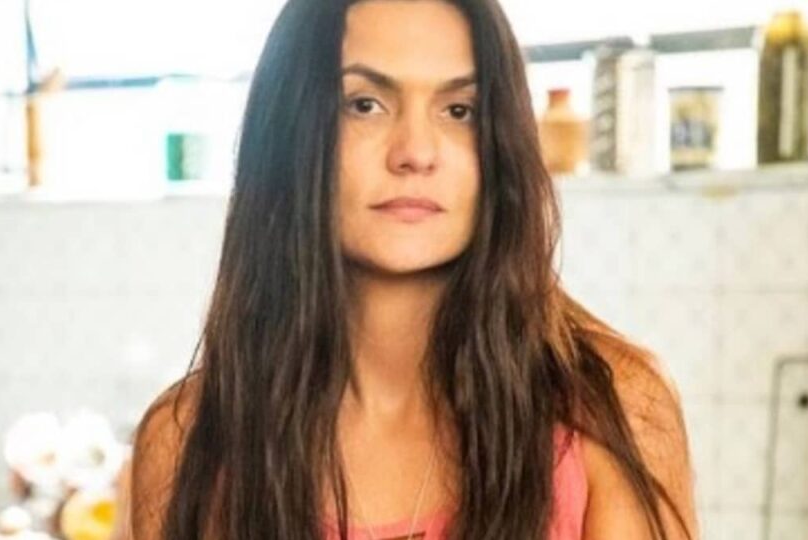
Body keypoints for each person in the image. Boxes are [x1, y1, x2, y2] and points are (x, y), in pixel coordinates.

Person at [129, 1, 698, 538]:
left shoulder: (615, 409)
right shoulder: (185, 441)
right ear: (289, 131)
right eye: (364, 104)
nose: (416, 153)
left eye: (459, 110)